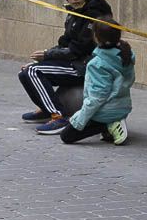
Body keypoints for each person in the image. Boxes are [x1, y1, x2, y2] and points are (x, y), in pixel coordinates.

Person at [18, 0, 112, 131]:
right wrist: (43, 58)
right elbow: (65, 43)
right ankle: (47, 109)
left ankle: (58, 117)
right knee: (26, 72)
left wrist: (47, 55)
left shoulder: (94, 15)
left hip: (83, 66)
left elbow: (78, 49)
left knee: (33, 72)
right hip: (73, 62)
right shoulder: (74, 14)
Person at [36, 17, 134, 145]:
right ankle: (111, 124)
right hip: (123, 107)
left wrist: (79, 120)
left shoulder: (97, 64)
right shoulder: (126, 54)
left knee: (66, 136)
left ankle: (107, 124)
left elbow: (97, 97)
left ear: (96, 37)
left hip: (106, 111)